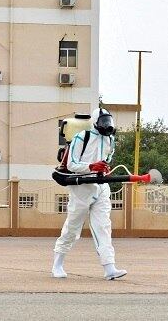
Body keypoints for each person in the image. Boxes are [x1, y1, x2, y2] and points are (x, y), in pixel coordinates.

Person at [52, 108, 127, 280]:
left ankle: (109, 268)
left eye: (108, 122)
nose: (106, 126)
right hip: (81, 187)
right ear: (95, 122)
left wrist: (103, 167)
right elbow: (71, 165)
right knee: (72, 228)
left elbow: (108, 159)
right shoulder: (82, 137)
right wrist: (91, 167)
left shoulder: (110, 139)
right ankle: (57, 264)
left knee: (103, 227)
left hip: (101, 186)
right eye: (103, 122)